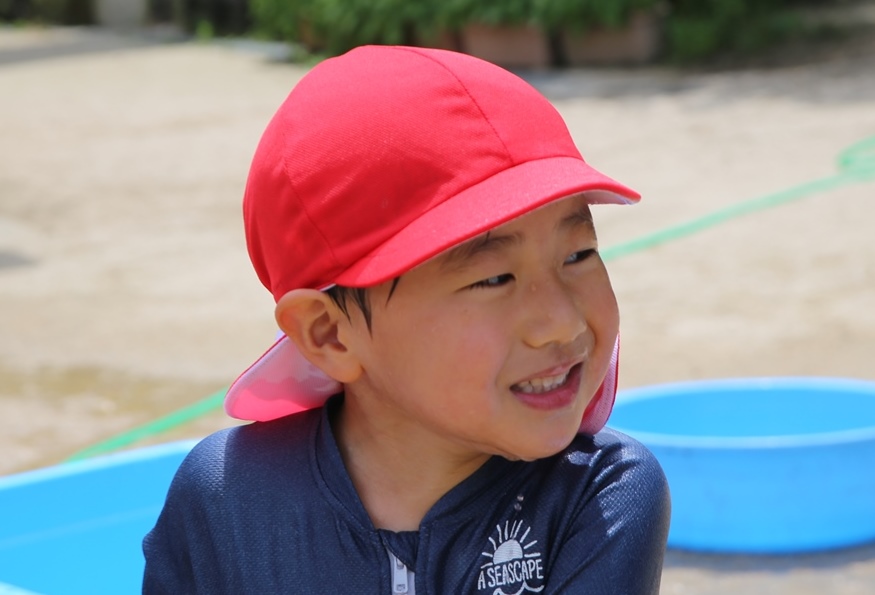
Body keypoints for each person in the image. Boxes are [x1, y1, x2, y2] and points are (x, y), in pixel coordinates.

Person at [142, 45, 670, 594]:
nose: (561, 323)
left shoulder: (600, 494)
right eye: (494, 279)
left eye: (578, 254)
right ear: (329, 334)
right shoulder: (227, 502)